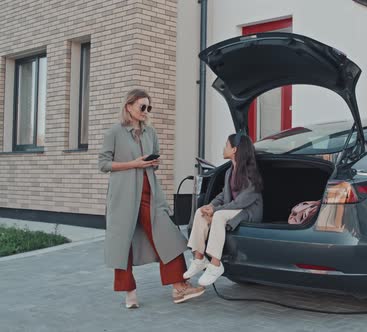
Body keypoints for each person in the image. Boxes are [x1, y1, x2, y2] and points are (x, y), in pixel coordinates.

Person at [98, 89, 204, 309]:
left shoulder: (150, 132)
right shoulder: (114, 133)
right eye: (142, 107)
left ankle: (179, 287)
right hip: (122, 197)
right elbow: (104, 164)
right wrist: (133, 164)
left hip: (149, 194)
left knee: (168, 236)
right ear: (129, 106)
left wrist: (153, 163)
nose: (146, 111)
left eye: (149, 107)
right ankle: (130, 293)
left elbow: (154, 160)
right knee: (122, 244)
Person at [184, 132, 263, 286]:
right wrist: (211, 206)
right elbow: (223, 194)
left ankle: (215, 264)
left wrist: (216, 211)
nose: (223, 148)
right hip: (232, 209)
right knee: (201, 212)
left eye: (226, 145)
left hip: (248, 212)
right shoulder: (229, 172)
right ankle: (199, 259)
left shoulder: (250, 172)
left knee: (219, 216)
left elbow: (242, 201)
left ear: (234, 150)